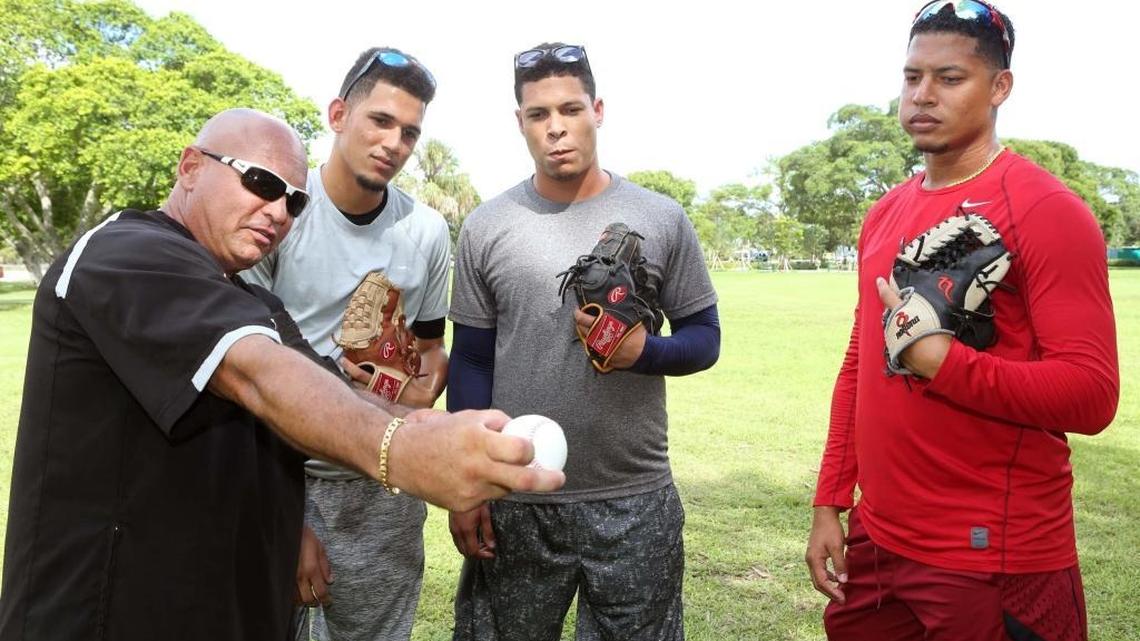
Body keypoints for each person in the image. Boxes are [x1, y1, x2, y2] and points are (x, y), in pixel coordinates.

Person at [0, 108, 564, 641]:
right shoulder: (124, 253)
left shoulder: (252, 300)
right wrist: (403, 449)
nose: (278, 212)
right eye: (262, 184)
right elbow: (255, 374)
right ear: (191, 167)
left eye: (295, 202)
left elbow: (333, 392)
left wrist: (443, 430)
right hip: (108, 614)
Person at [804, 3, 1119, 640]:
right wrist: (831, 500)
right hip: (879, 540)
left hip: (993, 552)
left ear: (999, 86)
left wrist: (944, 363)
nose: (923, 95)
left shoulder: (1047, 210)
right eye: (912, 77)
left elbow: (1091, 395)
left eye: (950, 79)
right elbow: (862, 361)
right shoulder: (884, 213)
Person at [447, 43, 721, 641]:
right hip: (515, 492)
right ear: (519, 122)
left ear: (597, 109)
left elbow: (705, 339)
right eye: (538, 114)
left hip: (633, 498)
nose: (556, 128)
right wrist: (466, 484)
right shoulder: (487, 226)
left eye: (570, 109)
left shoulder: (660, 217)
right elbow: (469, 358)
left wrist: (644, 352)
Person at [242, 47, 448, 641]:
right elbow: (243, 373)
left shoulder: (427, 231)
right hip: (285, 475)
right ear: (338, 114)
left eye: (410, 132)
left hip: (383, 480)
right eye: (380, 121)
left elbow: (431, 349)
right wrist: (287, 521)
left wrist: (417, 387)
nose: (395, 143)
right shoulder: (279, 211)